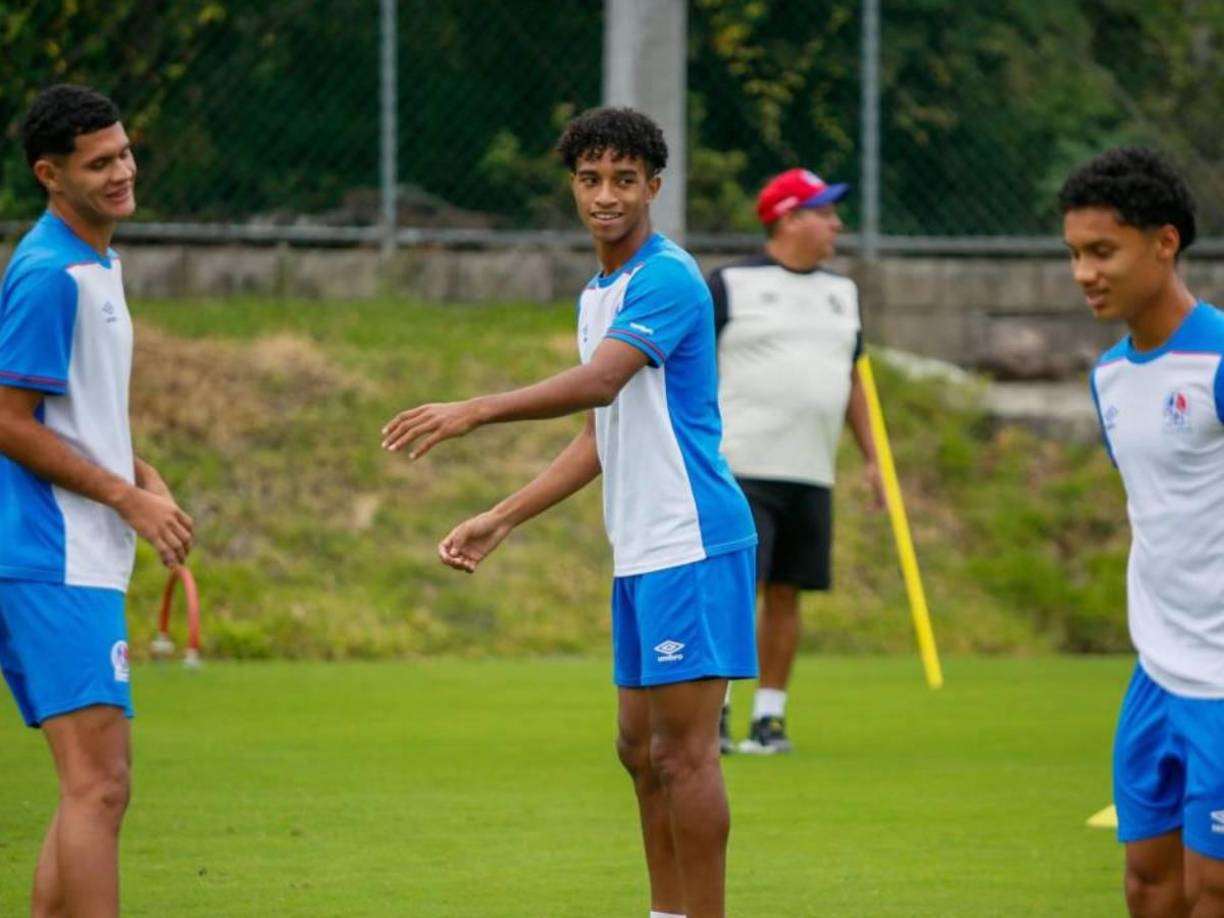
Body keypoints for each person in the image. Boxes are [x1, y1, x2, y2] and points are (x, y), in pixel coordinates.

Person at [381, 106, 757, 918]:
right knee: (637, 750)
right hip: (642, 549)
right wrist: (504, 516)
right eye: (590, 179)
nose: (606, 195)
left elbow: (597, 384)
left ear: (655, 186)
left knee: (684, 755)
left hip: (693, 541)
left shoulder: (667, 276)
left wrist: (472, 409)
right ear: (573, 188)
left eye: (625, 179)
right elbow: (600, 436)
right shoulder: (600, 294)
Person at [0, 84, 194, 917]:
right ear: (50, 175)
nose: (122, 172)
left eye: (123, 152)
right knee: (100, 787)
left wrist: (138, 475)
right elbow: (7, 420)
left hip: (72, 554)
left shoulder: (95, 265)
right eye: (99, 162)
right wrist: (122, 495)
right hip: (53, 557)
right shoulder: (51, 275)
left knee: (91, 789)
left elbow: (67, 412)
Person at [1062, 146, 1224, 917]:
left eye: (1103, 252)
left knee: (1212, 890)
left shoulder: (1220, 361)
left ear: (1165, 243)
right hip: (1155, 675)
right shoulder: (1111, 378)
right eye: (1074, 254)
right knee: (1148, 887)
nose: (1085, 273)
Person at [706, 168, 884, 755]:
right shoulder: (730, 284)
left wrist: (874, 461)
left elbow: (854, 381)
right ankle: (717, 713)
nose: (837, 225)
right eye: (825, 212)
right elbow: (689, 370)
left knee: (788, 595)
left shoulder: (843, 292)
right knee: (738, 591)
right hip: (738, 468)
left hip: (811, 471)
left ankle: (770, 718)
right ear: (787, 218)